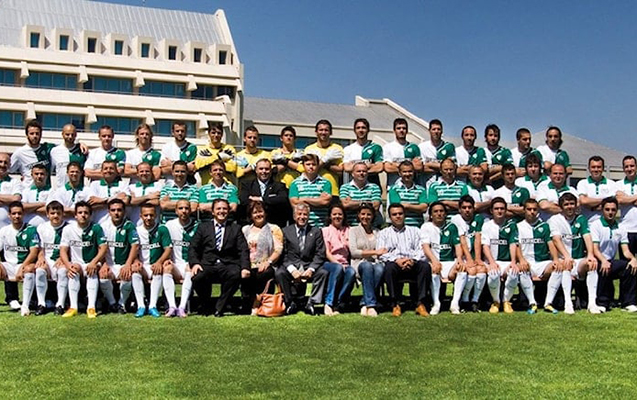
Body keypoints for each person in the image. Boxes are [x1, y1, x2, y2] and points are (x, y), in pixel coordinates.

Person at [190, 199, 250, 317]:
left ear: (228, 211)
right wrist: (195, 263)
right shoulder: (203, 227)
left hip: (228, 264)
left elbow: (243, 250)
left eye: (224, 209)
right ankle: (206, 304)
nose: (221, 211)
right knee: (197, 277)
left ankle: (220, 307)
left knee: (235, 275)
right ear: (212, 212)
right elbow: (193, 247)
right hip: (208, 264)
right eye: (218, 209)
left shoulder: (235, 228)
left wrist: (245, 267)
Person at [548, 193, 601, 314]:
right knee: (566, 264)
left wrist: (590, 255)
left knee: (591, 264)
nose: (569, 207)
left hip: (579, 259)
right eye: (566, 204)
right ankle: (568, 303)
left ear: (576, 205)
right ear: (561, 207)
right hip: (563, 259)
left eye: (572, 204)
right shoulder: (555, 220)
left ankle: (592, 303)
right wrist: (567, 256)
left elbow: (587, 236)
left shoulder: (581, 219)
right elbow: (556, 239)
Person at [378, 203, 430, 317]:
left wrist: (412, 260)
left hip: (412, 263)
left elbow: (421, 250)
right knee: (389, 268)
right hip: (395, 264)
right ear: (390, 217)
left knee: (425, 266)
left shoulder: (415, 231)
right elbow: (381, 253)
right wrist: (397, 260)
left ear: (404, 215)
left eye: (400, 213)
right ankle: (395, 304)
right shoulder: (383, 233)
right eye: (394, 214)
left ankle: (420, 304)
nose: (398, 216)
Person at [275, 203, 328, 315]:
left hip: (308, 265)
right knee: (280, 273)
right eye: (299, 214)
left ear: (308, 216)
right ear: (294, 216)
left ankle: (312, 303)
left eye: (305, 214)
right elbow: (283, 254)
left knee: (322, 273)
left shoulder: (316, 231)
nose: (302, 217)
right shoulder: (285, 231)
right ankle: (290, 302)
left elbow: (320, 253)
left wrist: (311, 269)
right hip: (292, 265)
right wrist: (292, 270)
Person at [59, 201, 109, 318]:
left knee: (92, 270)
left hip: (92, 262)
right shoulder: (68, 229)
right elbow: (63, 250)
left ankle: (91, 307)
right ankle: (73, 307)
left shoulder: (96, 228)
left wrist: (94, 262)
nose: (83, 215)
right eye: (80, 212)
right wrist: (68, 265)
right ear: (75, 215)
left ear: (90, 215)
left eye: (86, 213)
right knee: (74, 269)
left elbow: (103, 248)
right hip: (77, 263)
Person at [590, 197, 637, 312]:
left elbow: (625, 250)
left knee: (629, 267)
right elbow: (595, 249)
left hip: (610, 261)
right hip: (597, 260)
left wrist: (633, 259)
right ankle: (602, 303)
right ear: (602, 210)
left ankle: (628, 302)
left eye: (613, 210)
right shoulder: (596, 225)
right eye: (607, 209)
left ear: (617, 211)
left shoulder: (621, 227)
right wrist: (603, 260)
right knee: (604, 268)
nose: (610, 212)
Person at [421, 202, 465, 315]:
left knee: (462, 269)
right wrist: (434, 261)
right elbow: (426, 247)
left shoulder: (452, 227)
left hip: (449, 261)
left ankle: (455, 303)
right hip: (434, 260)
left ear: (445, 214)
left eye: (441, 211)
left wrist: (459, 259)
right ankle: (436, 303)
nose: (439, 214)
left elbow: (457, 245)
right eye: (435, 211)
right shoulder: (426, 227)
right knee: (433, 269)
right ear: (431, 215)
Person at [516, 199, 559, 314]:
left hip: (542, 263)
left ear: (538, 211)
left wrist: (555, 259)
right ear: (524, 210)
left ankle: (548, 303)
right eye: (529, 209)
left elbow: (550, 244)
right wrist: (521, 260)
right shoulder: (518, 226)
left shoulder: (544, 226)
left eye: (534, 209)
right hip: (527, 262)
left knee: (558, 268)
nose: (532, 212)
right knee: (522, 269)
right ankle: (532, 303)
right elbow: (516, 245)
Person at [241, 200, 283, 315]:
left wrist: (268, 262)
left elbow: (278, 249)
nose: (258, 215)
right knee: (244, 274)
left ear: (265, 213)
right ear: (251, 215)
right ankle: (249, 302)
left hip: (267, 264)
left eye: (260, 211)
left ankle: (259, 302)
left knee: (264, 273)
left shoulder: (273, 228)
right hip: (248, 264)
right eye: (255, 212)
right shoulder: (245, 230)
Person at [100, 199, 140, 314]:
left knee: (127, 274)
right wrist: (104, 264)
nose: (116, 213)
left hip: (123, 263)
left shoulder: (129, 226)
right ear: (109, 212)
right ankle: (112, 303)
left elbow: (135, 246)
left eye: (119, 210)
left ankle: (122, 304)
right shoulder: (103, 226)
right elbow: (100, 247)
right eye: (113, 210)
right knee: (103, 276)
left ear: (124, 212)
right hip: (109, 264)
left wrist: (128, 264)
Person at [481, 198, 520, 314]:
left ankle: (506, 301)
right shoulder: (487, 225)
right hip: (491, 261)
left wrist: (513, 262)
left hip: (506, 261)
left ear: (506, 210)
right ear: (491, 211)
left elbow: (513, 244)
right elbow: (485, 246)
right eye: (496, 209)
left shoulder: (511, 225)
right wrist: (492, 262)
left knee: (513, 272)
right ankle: (496, 301)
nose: (499, 211)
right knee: (493, 274)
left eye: (502, 209)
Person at [0, 201, 40, 316]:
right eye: (14, 213)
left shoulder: (31, 230)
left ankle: (25, 306)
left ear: (23, 214)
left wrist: (22, 267)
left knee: (29, 269)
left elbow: (34, 252)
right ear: (9, 215)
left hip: (24, 264)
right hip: (8, 265)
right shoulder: (4, 231)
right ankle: (12, 300)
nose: (16, 216)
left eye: (19, 213)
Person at [134, 203, 172, 318]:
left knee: (158, 271)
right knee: (135, 272)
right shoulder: (137, 230)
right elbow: (133, 249)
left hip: (155, 264)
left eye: (151, 215)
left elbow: (168, 249)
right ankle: (140, 306)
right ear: (141, 216)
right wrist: (136, 260)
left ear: (156, 215)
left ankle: (152, 306)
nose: (149, 218)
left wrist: (159, 262)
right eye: (146, 215)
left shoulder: (162, 229)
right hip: (143, 265)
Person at [348, 203, 386, 317]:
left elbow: (382, 251)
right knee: (367, 266)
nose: (365, 217)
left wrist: (377, 254)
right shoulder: (353, 230)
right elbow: (354, 252)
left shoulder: (377, 232)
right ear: (358, 215)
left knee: (379, 269)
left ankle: (365, 303)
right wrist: (374, 252)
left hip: (376, 263)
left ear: (373, 216)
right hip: (359, 263)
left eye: (369, 214)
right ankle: (371, 305)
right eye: (363, 214)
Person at [450, 195, 486, 313]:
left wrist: (478, 258)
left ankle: (475, 300)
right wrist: (469, 259)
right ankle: (465, 300)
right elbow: (462, 241)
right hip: (460, 256)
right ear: (459, 209)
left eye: (469, 207)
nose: (467, 210)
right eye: (464, 207)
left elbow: (477, 237)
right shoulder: (456, 219)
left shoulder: (478, 218)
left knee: (481, 270)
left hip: (474, 254)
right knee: (470, 270)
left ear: (474, 208)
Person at [163, 199, 199, 317]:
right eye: (181, 208)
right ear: (176, 211)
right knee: (167, 268)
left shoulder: (197, 226)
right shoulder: (169, 225)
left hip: (189, 264)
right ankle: (172, 306)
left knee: (190, 268)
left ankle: (182, 307)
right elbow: (164, 245)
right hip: (175, 265)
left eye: (186, 208)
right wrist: (166, 259)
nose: (184, 211)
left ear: (191, 210)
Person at [0, 153, 25, 310]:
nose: (2, 165)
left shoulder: (14, 182)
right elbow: (10, 199)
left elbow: (16, 199)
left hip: (6, 231)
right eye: (0, 161)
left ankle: (12, 298)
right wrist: (6, 199)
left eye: (5, 162)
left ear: (10, 165)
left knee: (9, 263)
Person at [35, 201, 68, 315]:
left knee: (63, 271)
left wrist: (63, 258)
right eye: (52, 213)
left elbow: (72, 248)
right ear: (47, 214)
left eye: (58, 213)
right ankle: (41, 304)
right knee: (39, 270)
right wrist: (41, 258)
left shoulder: (69, 228)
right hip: (47, 258)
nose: (55, 216)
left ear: (63, 214)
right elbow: (40, 247)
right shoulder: (42, 227)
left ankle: (60, 304)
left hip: (63, 259)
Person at [321, 203, 355, 316]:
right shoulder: (325, 231)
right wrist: (338, 264)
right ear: (330, 216)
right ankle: (328, 303)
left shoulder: (349, 230)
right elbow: (326, 252)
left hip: (345, 263)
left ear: (344, 216)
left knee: (351, 272)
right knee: (337, 268)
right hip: (329, 263)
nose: (337, 216)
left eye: (340, 214)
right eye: (334, 214)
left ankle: (338, 302)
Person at [238, 158, 290, 227]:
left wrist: (261, 199)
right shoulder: (247, 185)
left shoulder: (279, 186)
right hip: (251, 224)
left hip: (274, 223)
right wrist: (270, 200)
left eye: (267, 169)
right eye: (261, 169)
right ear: (256, 170)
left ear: (271, 171)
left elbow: (282, 199)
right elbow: (244, 200)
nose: (264, 171)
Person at [288, 154, 332, 228]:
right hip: (302, 225)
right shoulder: (295, 183)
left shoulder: (326, 183)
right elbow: (294, 204)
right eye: (308, 164)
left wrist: (304, 199)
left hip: (321, 225)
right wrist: (317, 200)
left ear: (318, 165)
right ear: (303, 165)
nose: (311, 167)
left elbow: (325, 202)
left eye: (314, 164)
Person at [304, 119, 344, 197]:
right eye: (321, 130)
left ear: (331, 132)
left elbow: (340, 171)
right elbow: (309, 171)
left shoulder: (337, 149)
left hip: (333, 191)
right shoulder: (309, 149)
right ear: (316, 132)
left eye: (326, 130)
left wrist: (321, 164)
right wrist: (326, 160)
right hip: (313, 191)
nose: (323, 132)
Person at [10, 120, 55, 186]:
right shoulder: (20, 152)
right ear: (27, 135)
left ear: (41, 135)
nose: (34, 136)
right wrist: (17, 182)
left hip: (46, 189)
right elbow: (7, 170)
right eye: (32, 133)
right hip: (28, 189)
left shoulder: (48, 149)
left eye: (37, 133)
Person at [343, 118, 384, 187]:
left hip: (373, 186)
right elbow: (346, 168)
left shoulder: (376, 147)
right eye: (358, 128)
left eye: (363, 128)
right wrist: (369, 166)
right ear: (354, 130)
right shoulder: (348, 149)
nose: (361, 130)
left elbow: (379, 167)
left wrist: (355, 168)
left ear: (368, 130)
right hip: (353, 187)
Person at [87, 160, 131, 225]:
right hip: (99, 223)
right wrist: (116, 199)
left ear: (116, 171)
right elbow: (92, 205)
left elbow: (125, 201)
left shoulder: (123, 184)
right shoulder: (94, 184)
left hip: (118, 224)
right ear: (101, 171)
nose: (108, 170)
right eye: (105, 168)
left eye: (111, 168)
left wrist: (101, 200)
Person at [339, 162, 381, 226]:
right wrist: (366, 203)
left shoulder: (375, 187)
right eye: (358, 171)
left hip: (370, 227)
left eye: (364, 171)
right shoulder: (345, 187)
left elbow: (375, 206)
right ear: (352, 174)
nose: (361, 173)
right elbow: (345, 204)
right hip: (351, 226)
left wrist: (352, 203)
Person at [387, 160, 428, 227]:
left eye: (410, 171)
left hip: (417, 226)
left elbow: (424, 208)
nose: (407, 174)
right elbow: (397, 208)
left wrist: (408, 206)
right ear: (399, 173)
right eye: (404, 172)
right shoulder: (394, 189)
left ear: (414, 172)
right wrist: (416, 207)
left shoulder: (421, 190)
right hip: (401, 227)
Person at [384, 118, 423, 187]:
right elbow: (387, 168)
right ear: (394, 131)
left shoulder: (414, 147)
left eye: (404, 128)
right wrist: (410, 166)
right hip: (393, 187)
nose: (401, 130)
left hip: (412, 188)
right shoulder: (387, 147)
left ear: (407, 131)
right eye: (398, 128)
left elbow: (419, 167)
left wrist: (395, 164)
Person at [577, 156, 617, 224]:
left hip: (606, 224)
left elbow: (612, 204)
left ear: (603, 168)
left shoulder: (611, 184)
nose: (596, 169)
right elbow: (583, 201)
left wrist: (591, 206)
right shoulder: (582, 183)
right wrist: (605, 201)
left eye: (599, 167)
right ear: (589, 168)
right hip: (587, 224)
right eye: (593, 167)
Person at [419, 118, 455, 186]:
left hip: (444, 186)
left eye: (438, 129)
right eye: (434, 129)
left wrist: (429, 164)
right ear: (429, 131)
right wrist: (443, 167)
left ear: (442, 131)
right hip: (426, 186)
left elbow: (452, 167)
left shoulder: (448, 147)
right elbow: (420, 168)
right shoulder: (421, 147)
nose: (436, 131)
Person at [50, 124, 87, 188]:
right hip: (61, 189)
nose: (70, 137)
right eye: (67, 134)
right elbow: (50, 170)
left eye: (72, 134)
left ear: (76, 135)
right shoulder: (54, 151)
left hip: (78, 190)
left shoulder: (82, 150)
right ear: (62, 134)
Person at [128, 162, 163, 226]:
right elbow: (132, 201)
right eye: (141, 171)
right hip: (135, 224)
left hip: (153, 225)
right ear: (137, 173)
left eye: (147, 171)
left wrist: (138, 200)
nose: (144, 173)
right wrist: (148, 196)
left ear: (151, 173)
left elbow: (156, 202)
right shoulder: (131, 187)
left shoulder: (158, 185)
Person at [616, 155, 637, 258]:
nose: (629, 169)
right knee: (627, 263)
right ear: (623, 169)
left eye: (632, 166)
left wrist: (626, 199)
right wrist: (634, 198)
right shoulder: (618, 184)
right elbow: (619, 200)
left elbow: (623, 200)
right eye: (626, 166)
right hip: (626, 230)